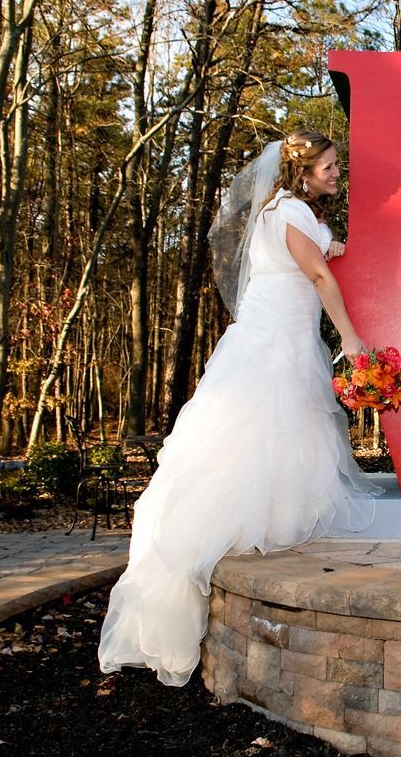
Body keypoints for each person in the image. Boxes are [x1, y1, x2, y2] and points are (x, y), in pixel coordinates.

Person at [98, 131, 380, 686]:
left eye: (336, 165)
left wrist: (333, 245)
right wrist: (351, 337)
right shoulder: (292, 211)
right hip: (277, 340)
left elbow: (315, 255)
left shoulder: (287, 210)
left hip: (282, 333)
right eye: (328, 166)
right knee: (262, 428)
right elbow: (318, 275)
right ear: (302, 171)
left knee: (279, 431)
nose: (336, 172)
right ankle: (233, 529)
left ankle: (270, 519)